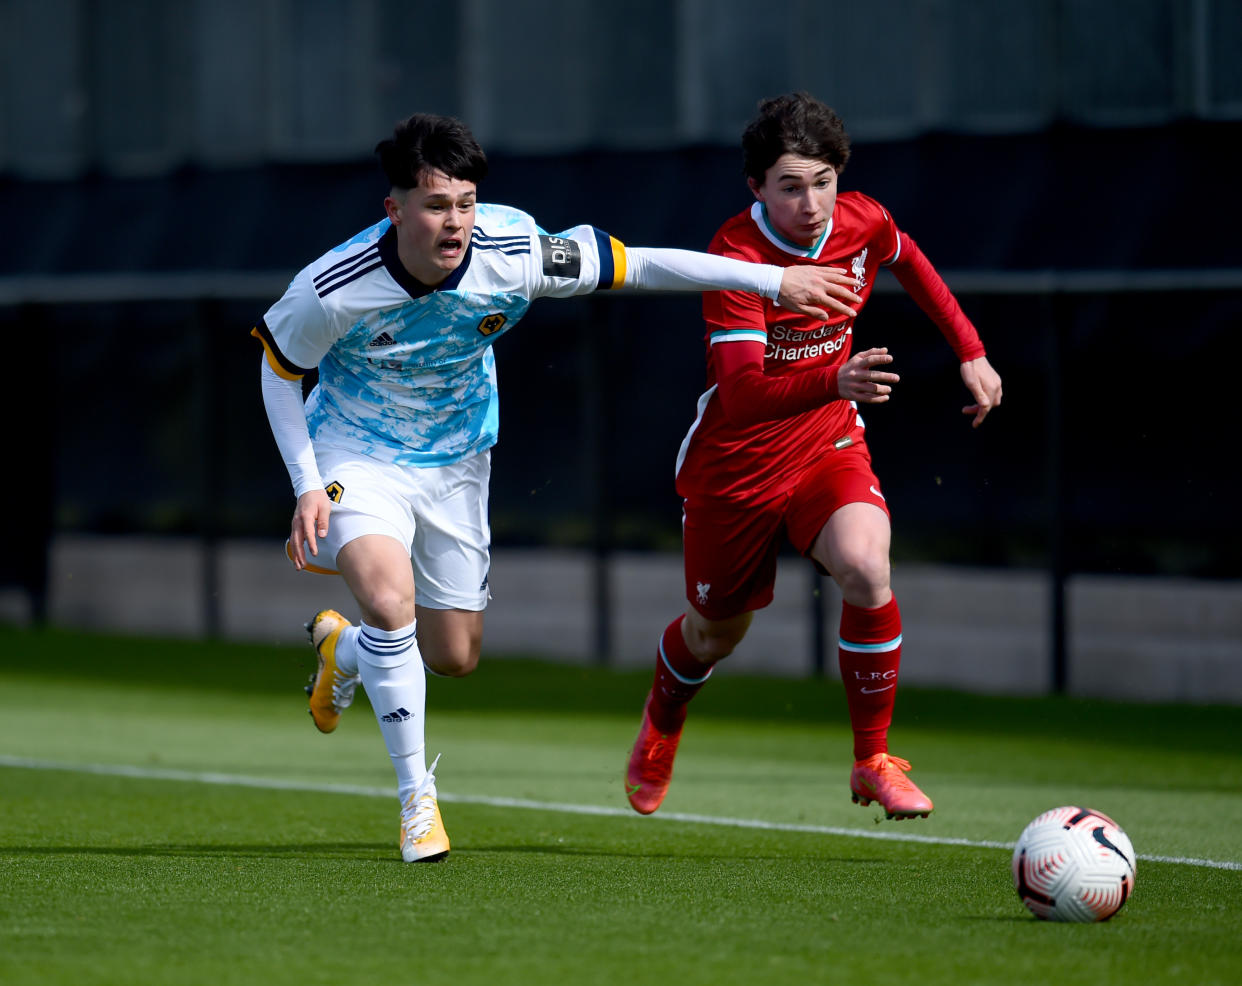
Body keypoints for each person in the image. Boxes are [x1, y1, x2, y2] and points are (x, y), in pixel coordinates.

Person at [253, 112, 865, 863]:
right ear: (396, 208)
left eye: (467, 202)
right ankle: (417, 802)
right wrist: (308, 485)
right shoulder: (333, 286)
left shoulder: (515, 252)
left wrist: (777, 279)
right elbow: (279, 371)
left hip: (456, 463)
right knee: (389, 601)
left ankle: (345, 653)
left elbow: (643, 265)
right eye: (437, 205)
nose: (455, 222)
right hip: (356, 455)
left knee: (453, 655)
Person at [624, 92, 1003, 821]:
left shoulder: (860, 219)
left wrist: (972, 351)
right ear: (757, 188)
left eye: (823, 180)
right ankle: (663, 721)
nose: (811, 202)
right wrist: (834, 376)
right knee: (715, 633)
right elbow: (739, 397)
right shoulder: (734, 257)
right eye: (790, 185)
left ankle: (872, 762)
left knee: (865, 564)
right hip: (736, 465)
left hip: (827, 441)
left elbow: (911, 260)